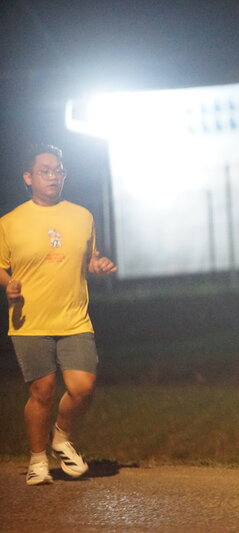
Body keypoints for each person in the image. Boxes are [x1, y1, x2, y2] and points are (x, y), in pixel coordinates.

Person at [0, 144, 117, 485]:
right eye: (45, 171)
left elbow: (89, 258)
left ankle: (61, 438)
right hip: (30, 321)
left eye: (58, 171)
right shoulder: (10, 222)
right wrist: (9, 284)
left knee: (83, 387)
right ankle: (38, 459)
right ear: (28, 177)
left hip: (74, 318)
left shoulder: (82, 216)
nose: (53, 176)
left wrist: (97, 264)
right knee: (42, 393)